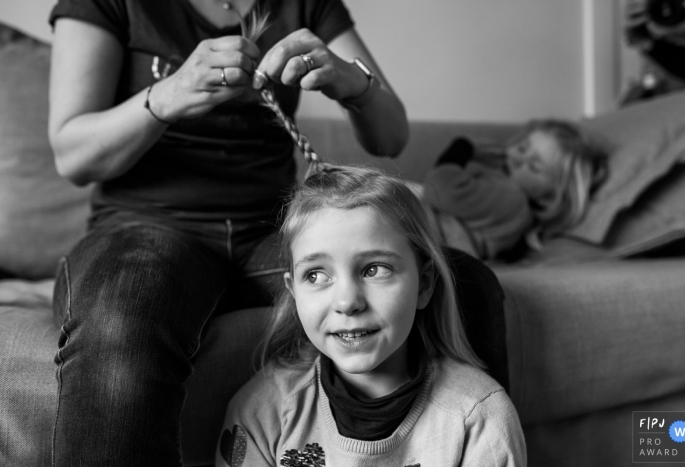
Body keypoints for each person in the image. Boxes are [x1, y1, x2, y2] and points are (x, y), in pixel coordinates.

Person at [47, 0, 409, 465]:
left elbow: (391, 139)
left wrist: (351, 82)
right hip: (145, 228)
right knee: (123, 318)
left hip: (273, 229)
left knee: (454, 282)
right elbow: (73, 157)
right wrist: (167, 96)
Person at [216, 166, 526, 467]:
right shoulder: (262, 411)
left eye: (375, 269)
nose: (348, 302)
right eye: (315, 275)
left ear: (425, 285)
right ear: (294, 291)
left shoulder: (480, 417)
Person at [423, 120, 607, 260]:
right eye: (522, 147)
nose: (520, 159)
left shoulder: (513, 198)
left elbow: (440, 190)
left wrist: (461, 150)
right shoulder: (504, 188)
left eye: (535, 167)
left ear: (548, 199)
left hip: (426, 235)